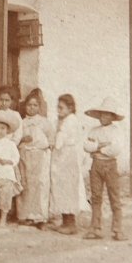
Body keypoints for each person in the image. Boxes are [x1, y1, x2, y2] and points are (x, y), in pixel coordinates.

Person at [83, 97, 126, 241]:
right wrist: (99, 146)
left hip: (110, 166)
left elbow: (116, 149)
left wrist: (98, 148)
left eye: (107, 114)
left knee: (114, 196)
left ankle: (117, 229)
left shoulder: (116, 131)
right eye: (101, 114)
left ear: (113, 117)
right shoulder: (94, 130)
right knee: (96, 197)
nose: (104, 117)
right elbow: (87, 146)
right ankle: (95, 228)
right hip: (96, 166)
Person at [48, 93, 86, 234]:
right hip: (63, 158)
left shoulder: (70, 121)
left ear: (70, 108)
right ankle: (65, 221)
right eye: (58, 107)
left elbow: (58, 142)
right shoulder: (64, 120)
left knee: (68, 189)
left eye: (61, 108)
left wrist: (56, 133)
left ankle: (70, 223)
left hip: (67, 158)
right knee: (62, 188)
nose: (59, 110)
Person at [16, 90, 54, 229]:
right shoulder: (21, 123)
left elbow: (51, 139)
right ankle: (25, 215)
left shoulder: (44, 122)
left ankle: (40, 217)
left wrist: (46, 147)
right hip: (25, 155)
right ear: (25, 107)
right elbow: (16, 138)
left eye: (35, 105)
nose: (32, 108)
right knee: (25, 184)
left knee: (40, 184)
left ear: (39, 107)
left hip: (40, 155)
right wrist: (22, 139)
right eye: (29, 105)